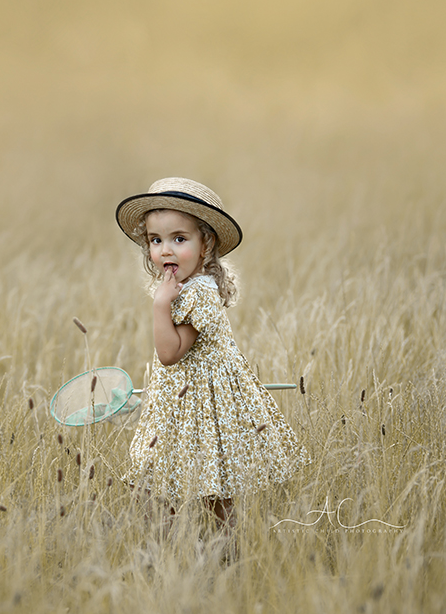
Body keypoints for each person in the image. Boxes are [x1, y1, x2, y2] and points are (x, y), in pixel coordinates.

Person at [115, 177, 309, 534]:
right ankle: (174, 550)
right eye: (156, 241)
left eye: (179, 238)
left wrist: (160, 305)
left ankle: (226, 551)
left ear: (206, 244)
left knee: (211, 489)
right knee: (170, 481)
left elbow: (170, 352)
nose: (166, 251)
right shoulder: (185, 287)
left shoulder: (199, 294)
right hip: (183, 403)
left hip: (205, 407)